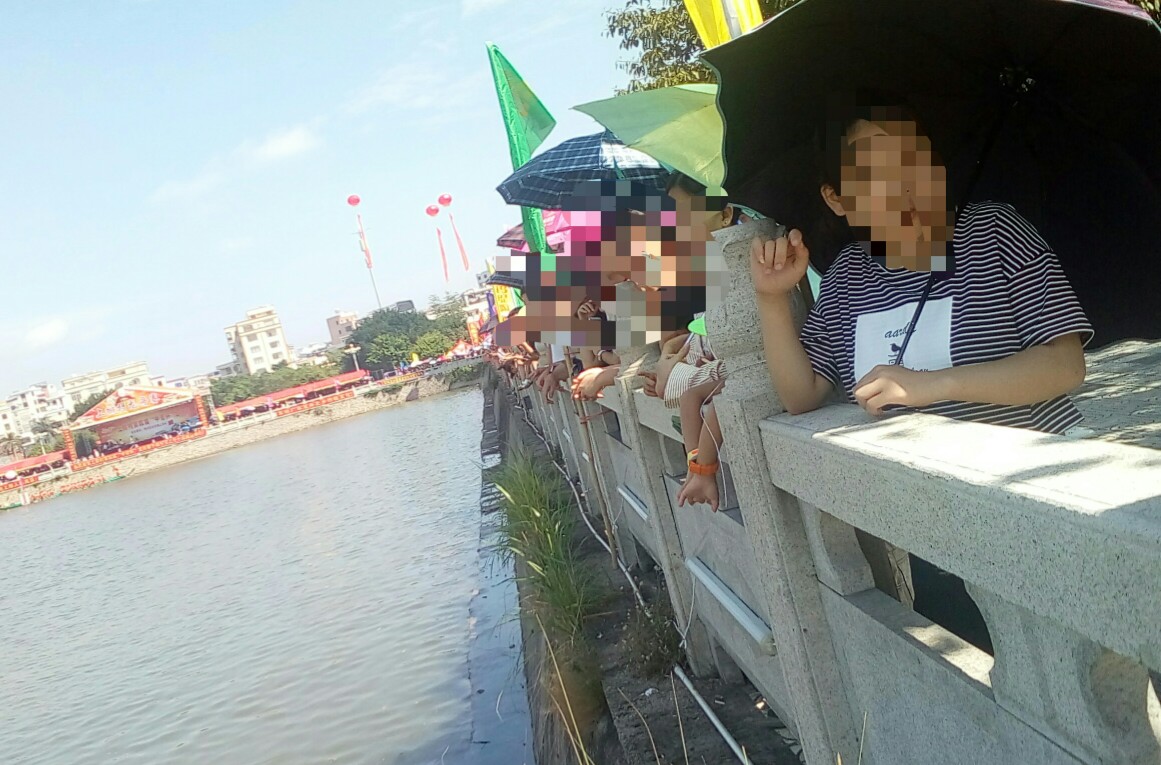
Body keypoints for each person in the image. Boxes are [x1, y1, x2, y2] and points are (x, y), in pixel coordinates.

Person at [751, 99, 1090, 434]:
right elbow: (801, 395)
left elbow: (1065, 366)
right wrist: (772, 297)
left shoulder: (994, 232)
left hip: (1027, 457)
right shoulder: (846, 276)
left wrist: (933, 385)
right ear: (836, 199)